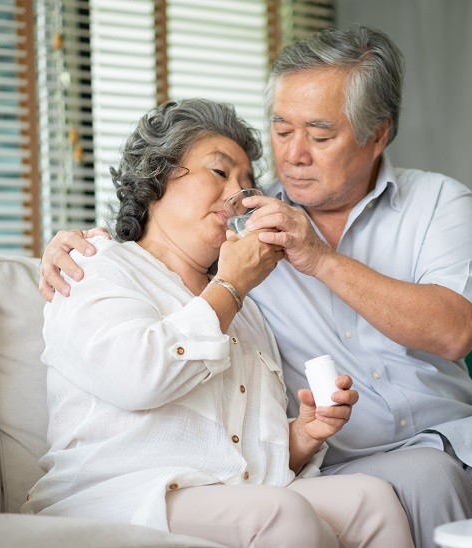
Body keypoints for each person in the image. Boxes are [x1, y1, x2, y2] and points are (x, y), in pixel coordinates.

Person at [40, 27, 472, 548]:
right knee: (427, 477)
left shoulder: (436, 202)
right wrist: (66, 243)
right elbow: (158, 231)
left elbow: (453, 333)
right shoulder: (242, 228)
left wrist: (318, 258)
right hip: (351, 458)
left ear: (378, 134)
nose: (291, 156)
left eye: (320, 134)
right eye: (281, 129)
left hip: (464, 436)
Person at [25, 98, 414, 548]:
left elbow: (243, 455)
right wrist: (229, 285)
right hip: (121, 495)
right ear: (159, 173)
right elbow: (139, 378)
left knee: (372, 499)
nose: (239, 194)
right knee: (280, 513)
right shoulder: (93, 266)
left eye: (247, 183)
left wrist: (304, 433)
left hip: (230, 496)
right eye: (219, 171)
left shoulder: (245, 311)